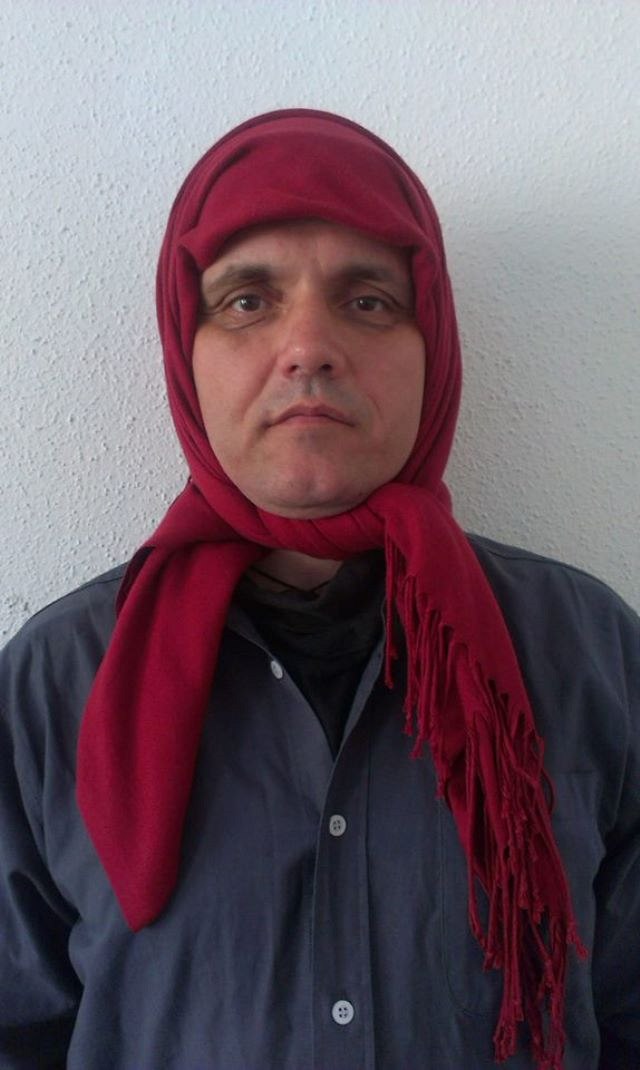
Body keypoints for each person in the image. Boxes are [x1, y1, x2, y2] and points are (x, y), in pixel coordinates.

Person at [0, 109, 638, 1070]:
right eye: (247, 301)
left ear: (435, 345)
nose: (308, 346)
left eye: (368, 300)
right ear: (184, 349)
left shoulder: (592, 654)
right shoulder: (51, 685)